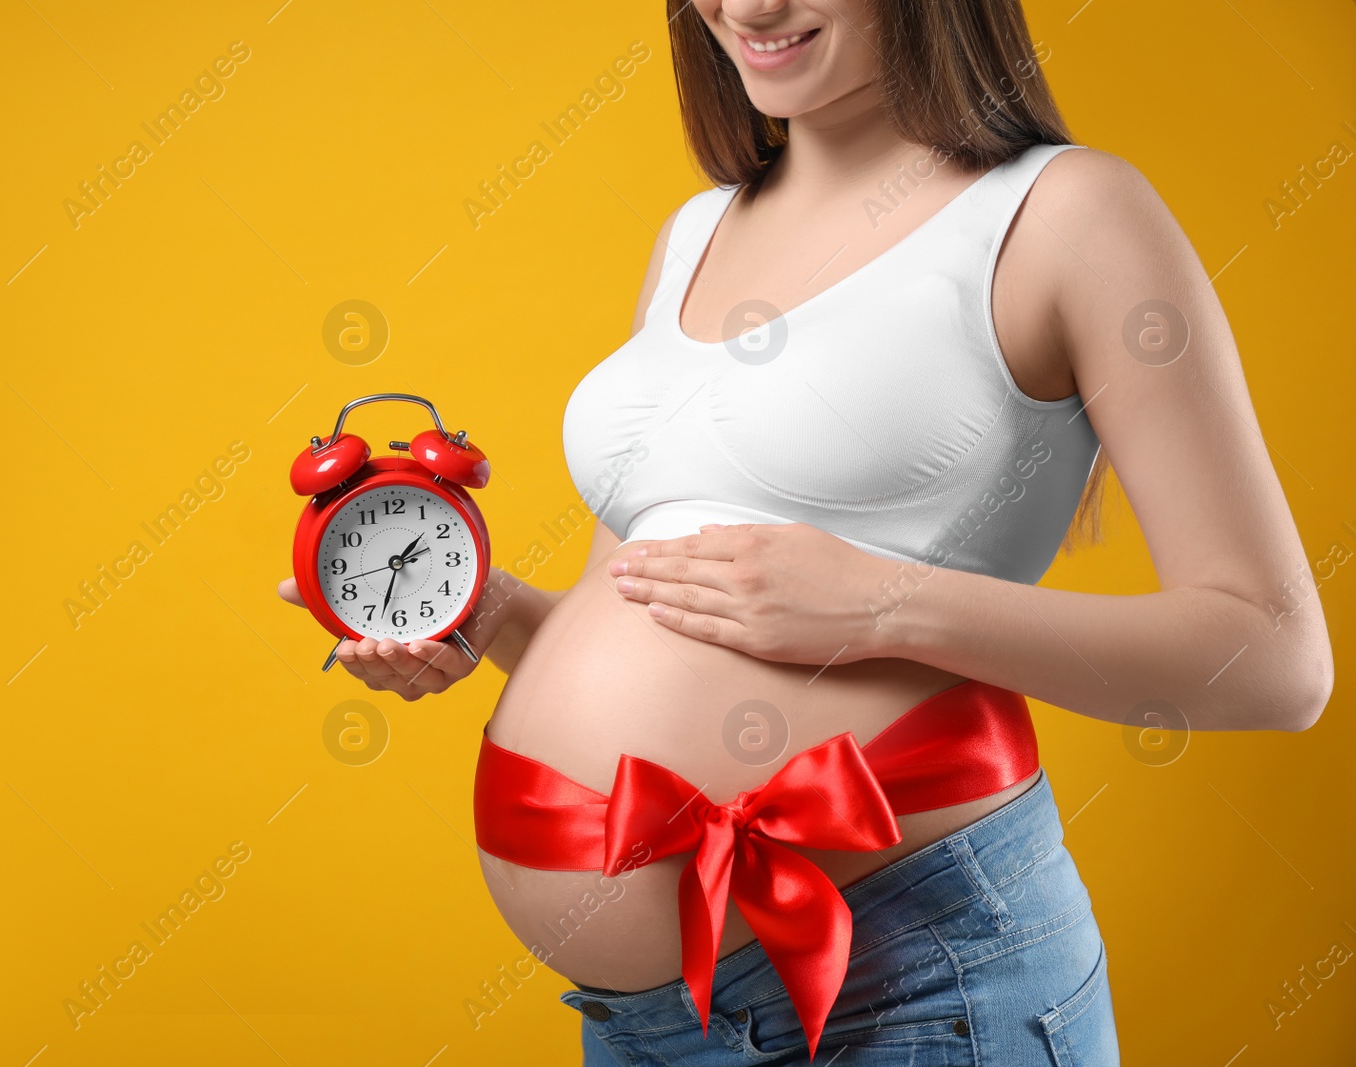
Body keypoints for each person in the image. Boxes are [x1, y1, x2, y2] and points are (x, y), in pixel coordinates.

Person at [280, 1, 1334, 1062]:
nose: (749, 7)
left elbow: (1276, 659)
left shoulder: (1066, 212)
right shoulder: (694, 233)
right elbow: (663, 599)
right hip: (650, 1025)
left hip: (920, 985)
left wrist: (887, 602)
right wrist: (489, 615)